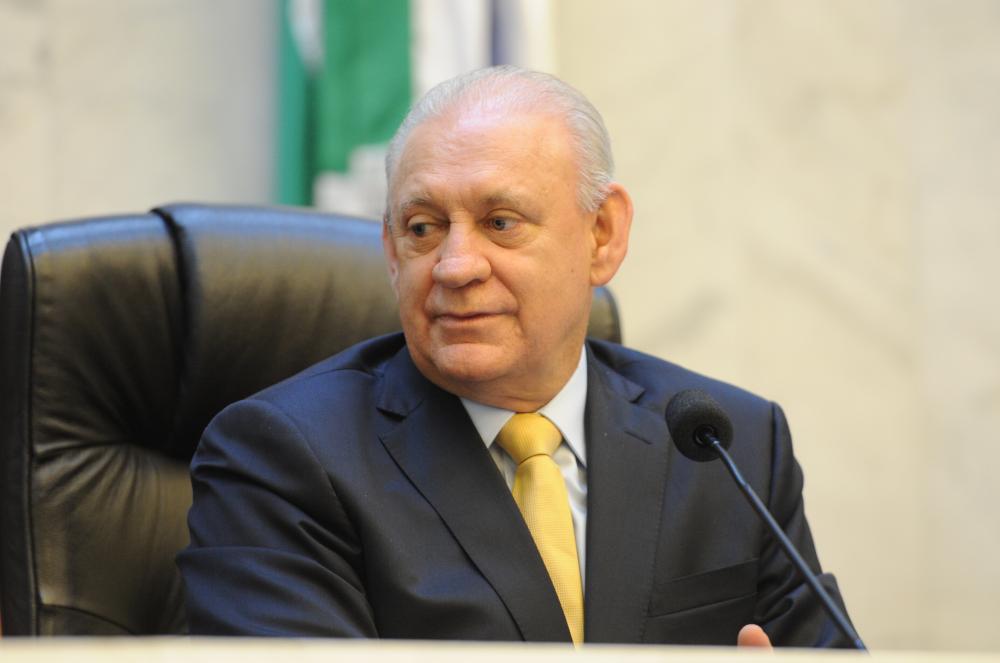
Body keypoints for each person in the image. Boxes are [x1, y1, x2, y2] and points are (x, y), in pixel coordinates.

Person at [178, 66, 856, 648]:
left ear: (602, 234)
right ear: (390, 250)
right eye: (423, 228)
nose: (455, 266)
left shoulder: (727, 444)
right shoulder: (280, 456)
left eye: (500, 222)